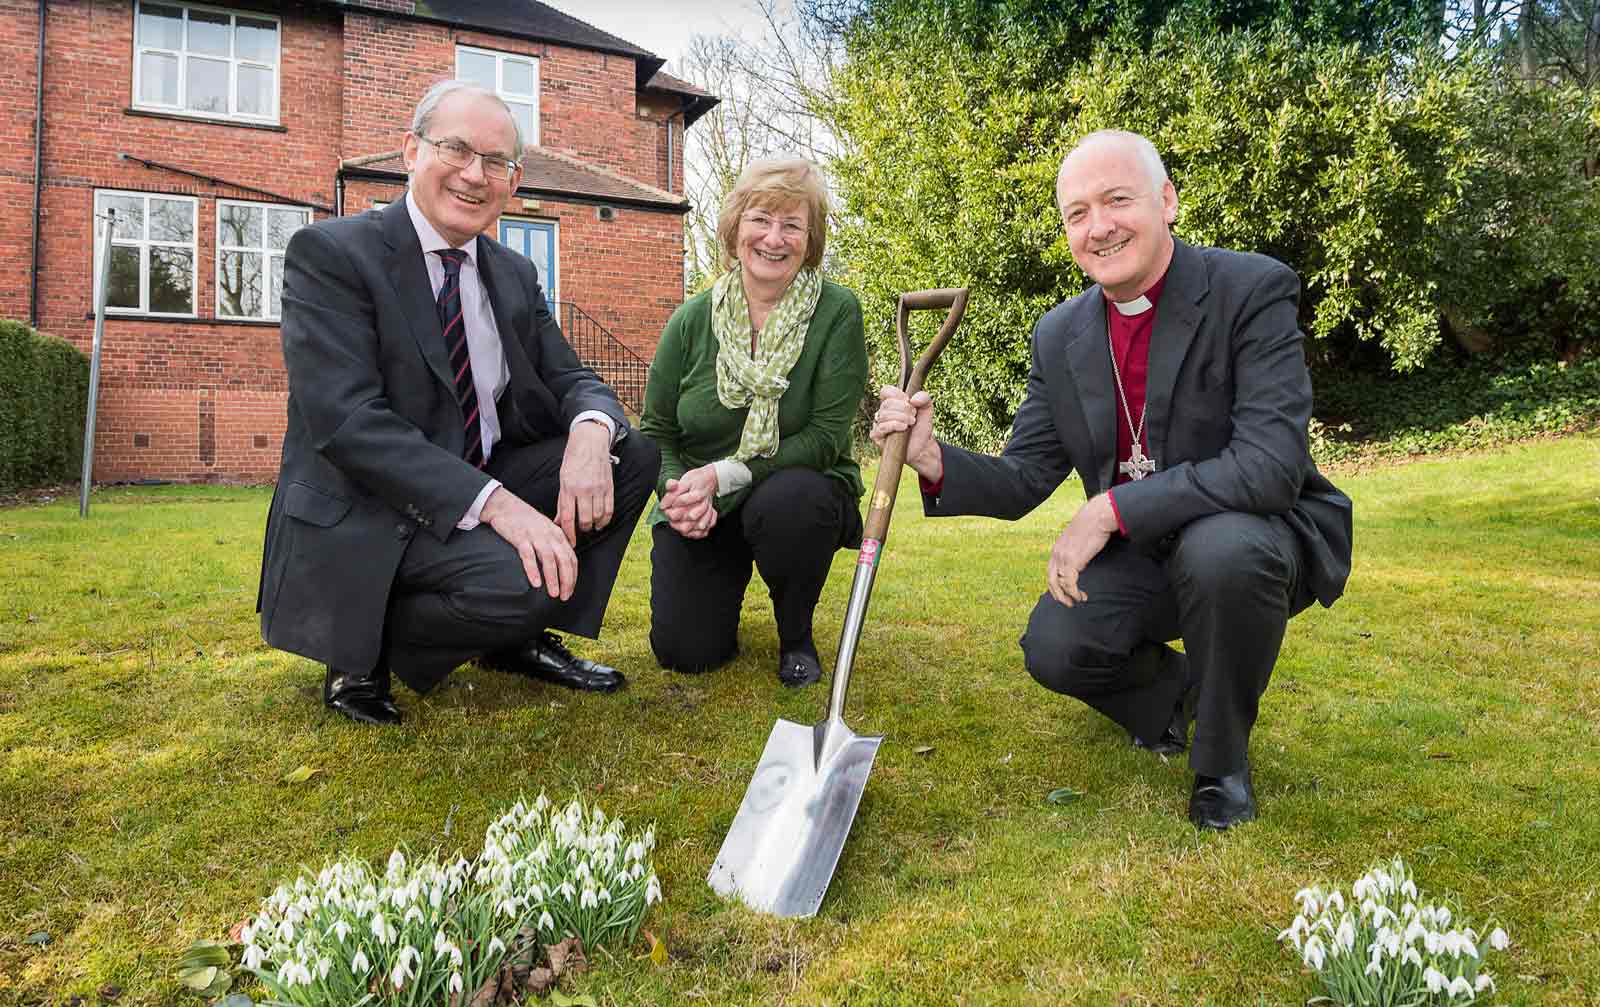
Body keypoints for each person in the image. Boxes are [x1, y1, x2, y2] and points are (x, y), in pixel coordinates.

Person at [871, 130, 1352, 829]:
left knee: (1221, 552)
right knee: (1056, 646)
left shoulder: (1250, 289)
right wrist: (933, 457)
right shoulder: (1060, 333)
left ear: (1167, 201)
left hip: (1258, 537)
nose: (1098, 227)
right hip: (1149, 552)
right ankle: (1183, 697)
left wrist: (1110, 510)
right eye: (1077, 213)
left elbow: (1270, 466)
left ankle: (1221, 764)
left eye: (1117, 200)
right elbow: (1027, 474)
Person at [257, 80, 659, 726]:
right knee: (523, 579)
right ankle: (366, 647)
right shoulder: (332, 254)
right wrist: (501, 508)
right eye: (457, 150)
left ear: (515, 181)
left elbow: (573, 377)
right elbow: (348, 423)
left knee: (628, 453)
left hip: (470, 478)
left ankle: (517, 639)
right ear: (411, 151)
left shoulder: (513, 273)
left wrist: (589, 430)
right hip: (373, 504)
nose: (476, 175)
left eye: (496, 162)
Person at [641, 157, 869, 688]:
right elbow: (657, 430)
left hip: (793, 494)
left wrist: (726, 474)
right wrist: (677, 494)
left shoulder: (836, 313)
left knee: (793, 501)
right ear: (735, 228)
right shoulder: (691, 320)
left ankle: (796, 635)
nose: (774, 237)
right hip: (704, 504)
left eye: (792, 225)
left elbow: (824, 438)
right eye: (760, 219)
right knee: (686, 652)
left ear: (810, 241)